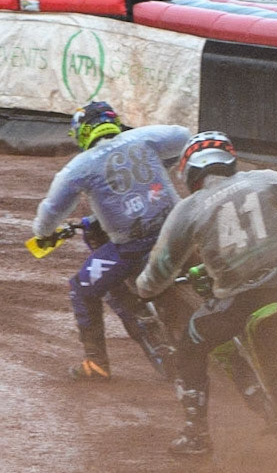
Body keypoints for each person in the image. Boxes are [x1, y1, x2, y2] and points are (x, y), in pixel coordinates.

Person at [134, 132, 277, 455]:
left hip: (237, 300)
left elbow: (162, 266)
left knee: (190, 346)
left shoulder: (189, 209)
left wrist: (145, 289)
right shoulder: (260, 180)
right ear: (230, 160)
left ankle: (196, 435)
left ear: (189, 172)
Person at [32, 100, 187, 381]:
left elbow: (52, 210)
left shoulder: (79, 167)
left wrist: (43, 233)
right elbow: (184, 136)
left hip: (132, 247)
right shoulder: (143, 138)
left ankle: (96, 363)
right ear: (113, 122)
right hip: (181, 229)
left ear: (82, 133)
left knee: (81, 288)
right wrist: (163, 164)